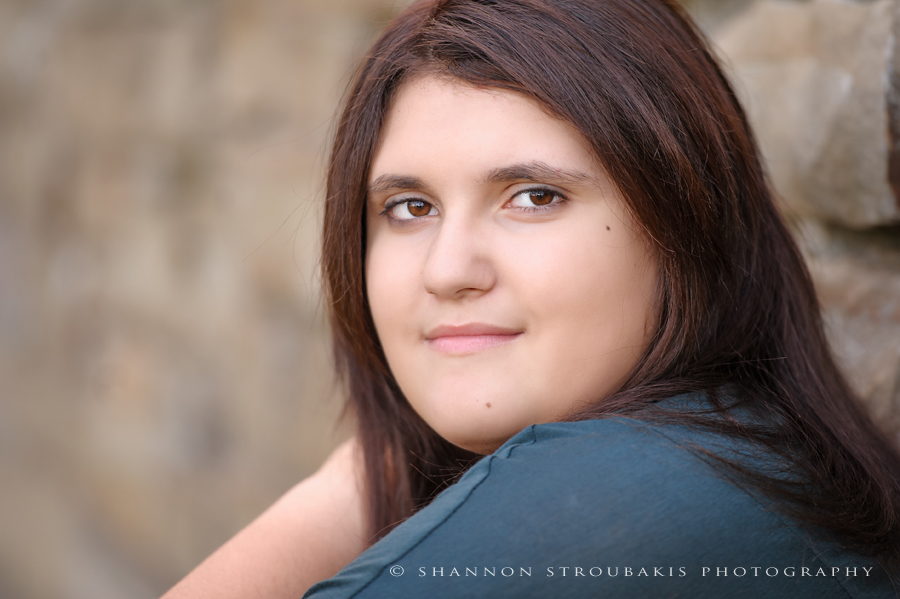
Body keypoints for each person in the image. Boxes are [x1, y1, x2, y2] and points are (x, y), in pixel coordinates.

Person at [162, 0, 900, 597]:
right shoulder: (737, 450)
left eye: (534, 196)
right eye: (411, 207)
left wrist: (345, 490)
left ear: (686, 221)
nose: (448, 270)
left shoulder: (611, 505)